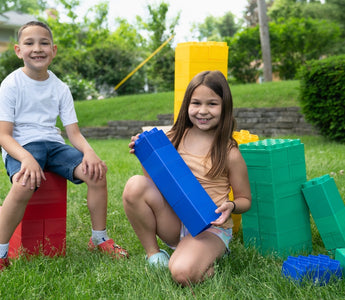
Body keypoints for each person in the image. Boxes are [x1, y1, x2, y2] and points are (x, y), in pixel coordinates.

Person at [0, 21, 128, 270]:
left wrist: (89, 152)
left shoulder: (60, 87)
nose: (37, 48)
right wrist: (26, 158)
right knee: (24, 183)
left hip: (54, 145)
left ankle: (99, 239)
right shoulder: (11, 84)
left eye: (44, 43)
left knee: (97, 173)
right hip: (22, 145)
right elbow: (4, 135)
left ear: (54, 50)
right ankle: (2, 251)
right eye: (29, 43)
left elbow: (74, 133)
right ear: (18, 50)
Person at [122, 70, 251, 286]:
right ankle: (154, 255)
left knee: (182, 274)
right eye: (196, 103)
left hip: (210, 227)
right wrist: (146, 154)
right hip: (175, 220)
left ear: (225, 106)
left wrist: (231, 205)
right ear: (187, 105)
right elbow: (155, 184)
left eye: (212, 104)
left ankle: (205, 256)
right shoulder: (174, 137)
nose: (203, 111)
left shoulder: (229, 152)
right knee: (135, 185)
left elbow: (245, 199)